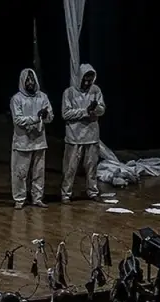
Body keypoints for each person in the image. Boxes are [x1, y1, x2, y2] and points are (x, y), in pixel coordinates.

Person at [60, 64, 105, 203]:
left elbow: (102, 109)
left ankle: (92, 191)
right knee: (70, 168)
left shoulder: (96, 90)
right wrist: (85, 111)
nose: (87, 83)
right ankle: (66, 193)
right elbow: (66, 113)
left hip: (91, 135)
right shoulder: (69, 92)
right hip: (74, 136)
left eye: (90, 80)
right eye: (85, 80)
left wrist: (95, 109)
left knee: (92, 167)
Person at [10, 68, 53, 209]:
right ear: (22, 81)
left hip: (39, 141)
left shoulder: (43, 97)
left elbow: (50, 117)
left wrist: (46, 116)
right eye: (27, 80)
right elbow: (18, 119)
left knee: (39, 172)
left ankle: (37, 198)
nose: (30, 82)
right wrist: (36, 118)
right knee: (20, 172)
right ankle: (19, 199)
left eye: (32, 79)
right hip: (23, 142)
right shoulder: (17, 99)